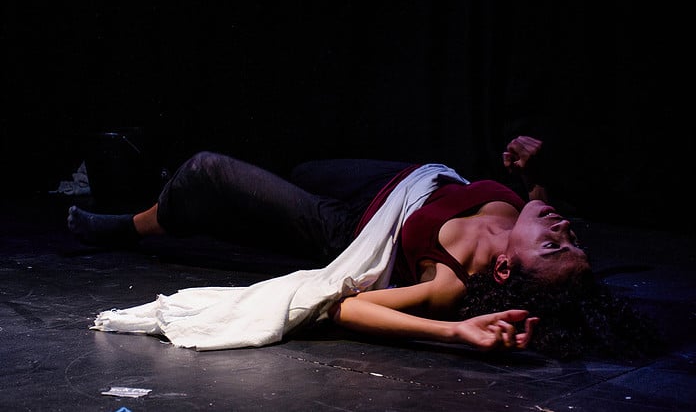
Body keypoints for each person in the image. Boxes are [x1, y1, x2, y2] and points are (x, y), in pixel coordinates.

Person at [68, 136, 660, 359]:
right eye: (570, 237)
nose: (561, 226)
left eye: (554, 245)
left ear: (504, 268)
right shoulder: (527, 213)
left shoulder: (449, 281)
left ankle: (128, 226)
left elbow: (348, 309)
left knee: (209, 172)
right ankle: (173, 201)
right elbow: (540, 208)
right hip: (397, 181)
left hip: (351, 225)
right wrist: (535, 173)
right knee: (300, 165)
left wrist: (456, 331)